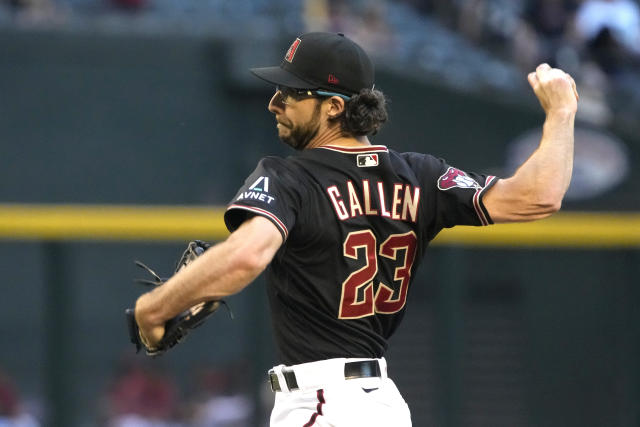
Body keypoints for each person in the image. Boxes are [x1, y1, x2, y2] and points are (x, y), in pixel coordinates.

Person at [134, 32, 578, 426]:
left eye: (290, 92)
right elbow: (537, 196)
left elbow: (248, 254)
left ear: (333, 107)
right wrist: (561, 114)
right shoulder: (419, 176)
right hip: (378, 404)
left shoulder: (291, 178)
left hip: (322, 403)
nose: (274, 102)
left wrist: (154, 308)